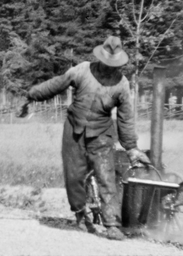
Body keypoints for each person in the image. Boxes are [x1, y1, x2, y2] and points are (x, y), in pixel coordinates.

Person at [19, 35, 150, 240]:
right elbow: (56, 84)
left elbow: (125, 118)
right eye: (106, 62)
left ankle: (111, 225)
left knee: (106, 177)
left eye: (113, 64)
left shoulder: (122, 84)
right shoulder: (82, 70)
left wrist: (131, 147)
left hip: (102, 134)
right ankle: (80, 215)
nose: (109, 67)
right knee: (73, 175)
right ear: (100, 58)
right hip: (74, 130)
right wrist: (32, 94)